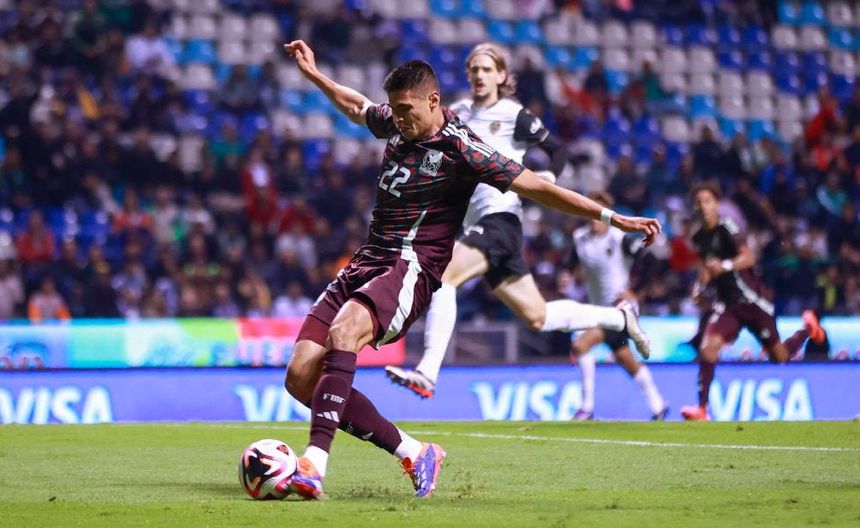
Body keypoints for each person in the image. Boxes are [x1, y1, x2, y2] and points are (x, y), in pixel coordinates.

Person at [282, 39, 662, 500]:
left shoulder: (463, 148)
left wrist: (612, 217)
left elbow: (538, 187)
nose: (398, 119)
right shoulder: (396, 123)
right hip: (367, 261)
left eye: (406, 110)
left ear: (433, 101)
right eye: (394, 110)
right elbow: (356, 106)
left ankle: (313, 465)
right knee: (300, 377)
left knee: (345, 333)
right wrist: (315, 75)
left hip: (409, 267)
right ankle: (415, 452)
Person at [385, 43, 653, 399]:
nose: (479, 75)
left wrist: (548, 177)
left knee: (444, 276)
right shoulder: (456, 113)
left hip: (501, 218)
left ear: (501, 75)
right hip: (478, 225)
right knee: (538, 317)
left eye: (486, 69)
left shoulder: (514, 114)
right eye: (474, 69)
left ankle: (428, 371)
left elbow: (558, 151)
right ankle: (619, 318)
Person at [680, 183, 826, 421]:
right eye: (698, 202)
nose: (703, 206)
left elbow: (749, 257)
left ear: (716, 204)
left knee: (779, 357)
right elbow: (706, 269)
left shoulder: (727, 228)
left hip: (751, 301)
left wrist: (725, 265)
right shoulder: (699, 237)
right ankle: (702, 409)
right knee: (708, 350)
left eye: (707, 201)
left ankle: (807, 330)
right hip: (727, 304)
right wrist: (698, 288)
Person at [567, 191, 669, 421]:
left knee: (581, 345)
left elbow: (651, 260)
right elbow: (571, 265)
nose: (594, 218)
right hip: (598, 309)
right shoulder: (580, 238)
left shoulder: (619, 238)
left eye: (598, 213)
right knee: (625, 358)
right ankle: (659, 405)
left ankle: (586, 408)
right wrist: (567, 276)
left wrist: (637, 291)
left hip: (621, 308)